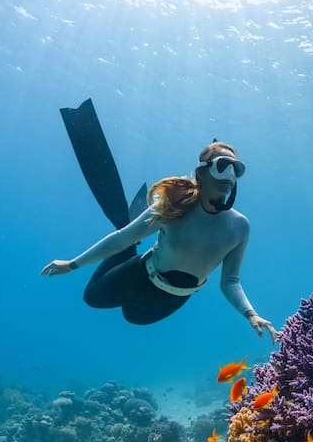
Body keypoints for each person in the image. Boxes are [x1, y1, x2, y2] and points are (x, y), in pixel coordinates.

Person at [41, 139, 277, 342]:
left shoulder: (240, 227)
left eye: (236, 169)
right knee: (92, 297)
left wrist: (251, 314)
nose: (229, 175)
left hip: (177, 296)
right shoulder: (173, 206)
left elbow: (230, 281)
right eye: (222, 166)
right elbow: (120, 239)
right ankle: (135, 237)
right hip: (141, 273)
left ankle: (136, 238)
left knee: (132, 317)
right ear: (202, 172)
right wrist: (71, 264)